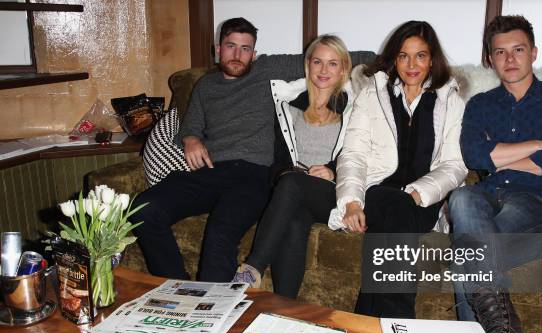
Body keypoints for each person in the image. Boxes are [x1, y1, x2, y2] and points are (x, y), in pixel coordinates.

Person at [132, 18, 374, 282]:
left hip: (255, 175)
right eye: (231, 46)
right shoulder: (206, 86)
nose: (237, 55)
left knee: (220, 230)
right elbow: (190, 126)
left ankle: (213, 310)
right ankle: (175, 288)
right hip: (212, 171)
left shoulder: (267, 68)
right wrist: (190, 138)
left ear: (254, 53)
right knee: (144, 208)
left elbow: (334, 58)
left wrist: (396, 61)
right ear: (217, 49)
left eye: (245, 49)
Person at [449, 15, 542, 333]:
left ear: (533, 53)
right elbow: (475, 156)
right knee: (462, 198)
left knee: (470, 254)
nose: (509, 59)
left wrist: (502, 156)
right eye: (500, 52)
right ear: (491, 59)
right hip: (486, 199)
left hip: (541, 204)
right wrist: (538, 147)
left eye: (518, 50)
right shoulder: (479, 105)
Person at [328, 21, 468, 318]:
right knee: (392, 209)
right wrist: (352, 202)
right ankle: (400, 324)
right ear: (394, 59)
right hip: (378, 193)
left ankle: (366, 323)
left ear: (432, 60)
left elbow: (455, 165)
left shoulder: (450, 100)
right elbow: (352, 154)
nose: (411, 64)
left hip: (423, 202)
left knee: (396, 220)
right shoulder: (373, 95)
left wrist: (417, 193)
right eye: (403, 56)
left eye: (420, 55)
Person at [232, 35, 354, 298]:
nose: (324, 70)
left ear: (344, 69)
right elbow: (278, 161)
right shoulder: (289, 106)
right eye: (317, 62)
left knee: (291, 184)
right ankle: (284, 307)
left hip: (335, 191)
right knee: (295, 222)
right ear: (307, 65)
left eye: (333, 64)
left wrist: (333, 169)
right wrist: (287, 173)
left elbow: (362, 156)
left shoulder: (355, 108)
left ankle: (253, 267)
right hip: (296, 190)